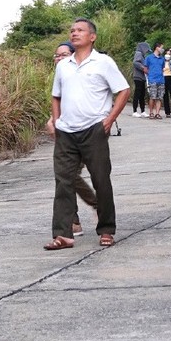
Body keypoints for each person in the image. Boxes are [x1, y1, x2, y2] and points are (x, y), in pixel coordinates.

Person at [44, 18, 130, 250]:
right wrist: (58, 120)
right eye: (72, 30)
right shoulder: (64, 65)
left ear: (92, 37)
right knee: (63, 182)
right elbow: (56, 95)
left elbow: (123, 90)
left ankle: (106, 230)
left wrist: (109, 120)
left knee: (101, 180)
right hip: (67, 132)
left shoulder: (103, 62)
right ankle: (63, 234)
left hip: (94, 129)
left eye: (80, 30)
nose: (74, 33)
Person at [46, 41, 99, 237]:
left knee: (68, 177)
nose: (59, 58)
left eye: (64, 54)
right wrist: (53, 120)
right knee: (64, 178)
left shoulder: (84, 71)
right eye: (57, 55)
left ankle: (96, 205)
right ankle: (73, 222)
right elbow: (57, 101)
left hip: (87, 132)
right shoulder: (61, 74)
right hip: (66, 135)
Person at [143, 41, 167, 119]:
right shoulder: (149, 58)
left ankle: (157, 113)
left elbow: (163, 68)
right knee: (152, 97)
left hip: (161, 80)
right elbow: (145, 68)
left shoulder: (162, 59)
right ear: (157, 48)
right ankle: (151, 112)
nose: (162, 49)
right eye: (161, 47)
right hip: (152, 79)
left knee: (159, 97)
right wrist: (150, 75)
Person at [131, 41, 150, 118]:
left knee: (142, 94)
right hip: (138, 76)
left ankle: (143, 111)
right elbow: (135, 63)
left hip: (142, 77)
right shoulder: (138, 53)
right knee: (138, 93)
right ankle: (135, 111)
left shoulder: (142, 55)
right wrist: (143, 68)